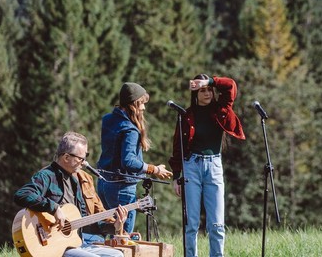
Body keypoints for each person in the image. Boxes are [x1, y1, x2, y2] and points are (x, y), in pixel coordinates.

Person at [168, 74, 246, 257]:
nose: (207, 93)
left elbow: (231, 86)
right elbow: (177, 147)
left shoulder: (221, 109)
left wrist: (210, 81)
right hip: (191, 167)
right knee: (191, 224)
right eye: (202, 90)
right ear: (195, 93)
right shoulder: (186, 116)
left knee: (217, 224)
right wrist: (176, 177)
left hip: (214, 167)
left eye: (209, 89)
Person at [14, 132, 128, 257]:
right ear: (66, 157)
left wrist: (115, 226)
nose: (84, 163)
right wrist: (54, 208)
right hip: (56, 247)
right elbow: (22, 195)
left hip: (78, 244)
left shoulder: (75, 181)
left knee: (117, 255)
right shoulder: (46, 176)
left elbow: (86, 223)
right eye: (81, 158)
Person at [97, 82, 172, 233]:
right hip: (121, 188)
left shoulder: (108, 119)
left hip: (103, 184)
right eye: (142, 103)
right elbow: (128, 161)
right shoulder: (130, 130)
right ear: (133, 104)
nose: (144, 108)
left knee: (108, 232)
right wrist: (154, 169)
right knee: (123, 235)